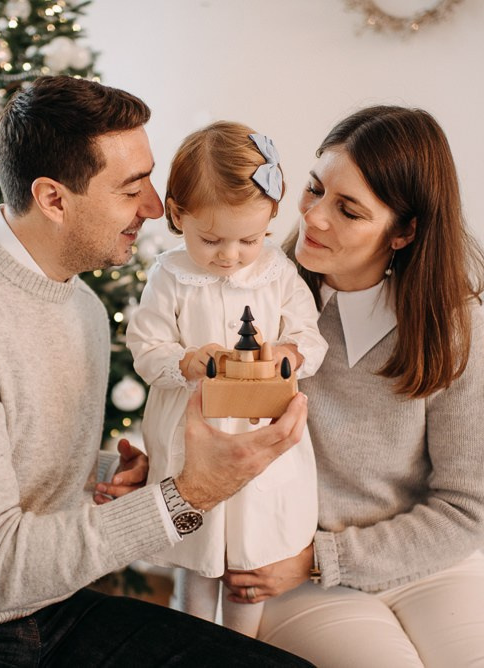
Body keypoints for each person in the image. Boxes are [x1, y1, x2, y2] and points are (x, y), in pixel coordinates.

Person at [0, 75, 313, 667]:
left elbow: (4, 464)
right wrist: (192, 492)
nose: (157, 209)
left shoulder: (83, 309)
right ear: (53, 198)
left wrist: (102, 473)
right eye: (133, 189)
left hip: (48, 610)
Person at [221, 106, 484, 667]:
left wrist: (328, 556)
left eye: (349, 210)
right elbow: (211, 424)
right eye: (314, 189)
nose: (313, 218)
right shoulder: (256, 300)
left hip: (426, 559)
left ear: (405, 231)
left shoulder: (450, 324)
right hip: (294, 570)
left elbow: (468, 506)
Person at [125, 121, 327, 638]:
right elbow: (145, 348)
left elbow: (310, 336)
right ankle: (190, 642)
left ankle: (242, 646)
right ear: (177, 216)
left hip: (261, 432)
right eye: (210, 238)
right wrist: (186, 361)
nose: (230, 255)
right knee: (197, 551)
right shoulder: (170, 276)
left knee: (250, 557)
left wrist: (289, 353)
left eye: (249, 238)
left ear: (271, 221)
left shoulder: (277, 272)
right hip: (194, 433)